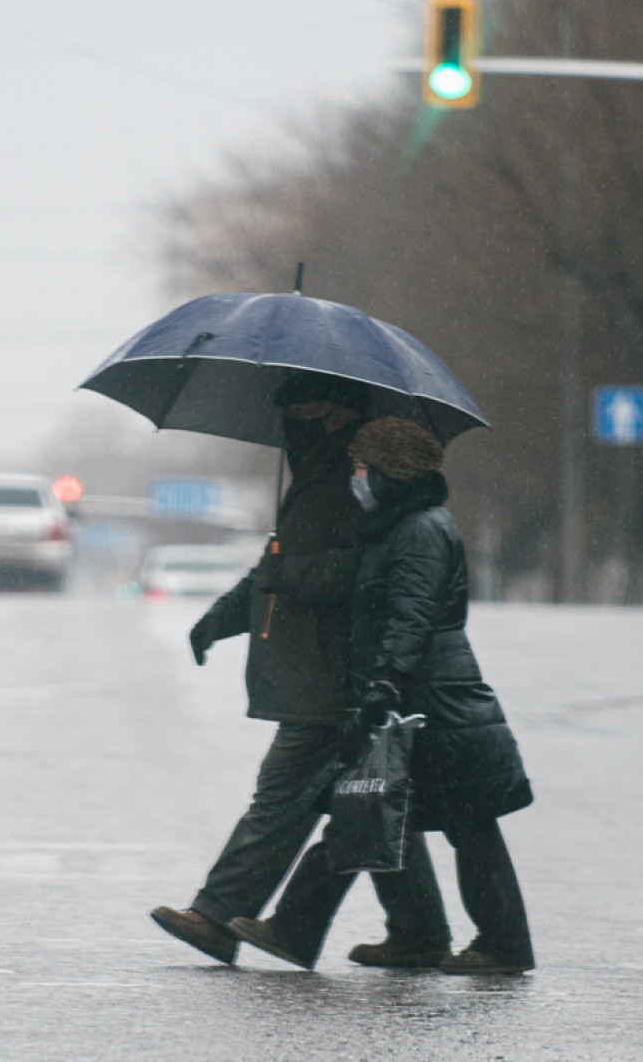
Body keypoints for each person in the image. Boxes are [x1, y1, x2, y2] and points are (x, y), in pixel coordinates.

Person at [151, 375, 448, 968]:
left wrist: (293, 579)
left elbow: (360, 576)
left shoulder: (352, 484)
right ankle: (419, 930)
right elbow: (276, 564)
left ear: (335, 413)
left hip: (332, 672)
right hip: (315, 667)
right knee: (368, 797)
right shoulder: (314, 479)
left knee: (282, 797)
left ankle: (214, 918)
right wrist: (222, 616)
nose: (288, 417)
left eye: (301, 407)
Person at [227, 416, 537, 975]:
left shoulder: (420, 529)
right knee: (368, 810)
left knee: (425, 818)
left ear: (392, 471)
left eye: (364, 468)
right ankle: (402, 936)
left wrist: (385, 685)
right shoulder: (399, 525)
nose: (358, 478)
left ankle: (502, 945)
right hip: (424, 695)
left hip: (434, 702)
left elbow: (411, 615)